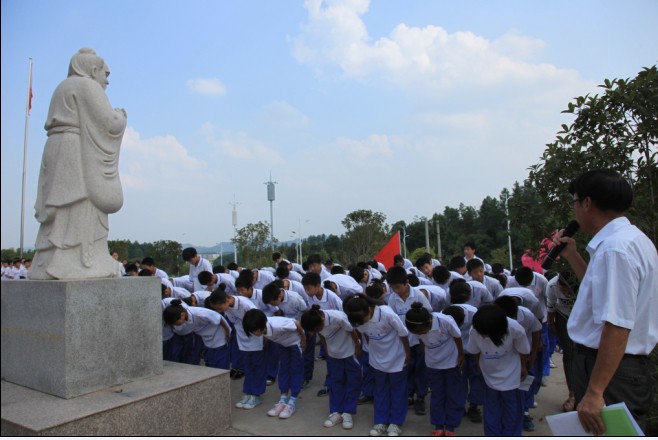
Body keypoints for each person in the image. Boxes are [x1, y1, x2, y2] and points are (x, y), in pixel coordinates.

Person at [552, 169, 658, 435]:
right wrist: (573, 256)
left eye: (575, 202)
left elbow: (617, 326)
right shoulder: (630, 241)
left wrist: (595, 391)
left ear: (587, 203)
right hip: (617, 368)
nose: (575, 209)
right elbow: (601, 293)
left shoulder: (615, 249)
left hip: (610, 371)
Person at [30, 48, 127, 280]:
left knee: (61, 205)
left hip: (55, 147)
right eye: (106, 73)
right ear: (93, 70)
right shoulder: (87, 85)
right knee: (81, 202)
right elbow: (108, 122)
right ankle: (82, 262)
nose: (107, 80)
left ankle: (48, 262)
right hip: (75, 150)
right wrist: (121, 116)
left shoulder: (62, 87)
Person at [343, 294, 410, 437]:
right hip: (377, 359)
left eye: (364, 320)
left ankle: (395, 423)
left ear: (369, 309)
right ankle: (380, 421)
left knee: (398, 391)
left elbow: (403, 334)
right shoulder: (358, 320)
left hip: (396, 358)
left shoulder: (387, 314)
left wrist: (407, 354)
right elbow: (367, 335)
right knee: (380, 390)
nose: (362, 323)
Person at [466, 304, 531, 436]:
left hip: (512, 376)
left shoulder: (515, 329)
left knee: (512, 410)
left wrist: (523, 367)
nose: (483, 336)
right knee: (491, 410)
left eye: (485, 334)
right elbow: (475, 350)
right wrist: (478, 364)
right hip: (489, 375)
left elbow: (523, 350)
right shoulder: (475, 329)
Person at [405, 303, 465, 437]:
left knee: (453, 393)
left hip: (451, 361)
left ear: (429, 322)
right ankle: (438, 423)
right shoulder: (415, 326)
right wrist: (425, 354)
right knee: (438, 394)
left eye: (423, 331)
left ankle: (451, 425)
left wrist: (461, 355)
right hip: (433, 364)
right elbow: (420, 341)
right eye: (418, 332)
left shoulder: (446, 321)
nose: (421, 333)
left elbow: (458, 337)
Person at [300, 305, 361, 430]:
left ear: (322, 320)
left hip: (349, 351)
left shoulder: (338, 317)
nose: (317, 331)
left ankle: (348, 412)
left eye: (317, 328)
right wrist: (326, 347)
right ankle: (336, 412)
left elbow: (352, 331)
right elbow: (321, 335)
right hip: (334, 353)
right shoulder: (316, 323)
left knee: (352, 381)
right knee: (336, 381)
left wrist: (357, 346)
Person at [206, 287, 265, 410]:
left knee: (257, 366)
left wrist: (263, 338)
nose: (219, 311)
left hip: (255, 338)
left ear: (226, 300)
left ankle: (256, 394)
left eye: (219, 308)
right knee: (247, 366)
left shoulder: (245, 305)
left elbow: (260, 321)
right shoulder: (227, 309)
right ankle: (248, 392)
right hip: (243, 339)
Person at [243, 309, 307, 419]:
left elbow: (297, 324)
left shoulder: (278, 325)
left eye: (255, 330)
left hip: (295, 344)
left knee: (296, 370)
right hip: (282, 345)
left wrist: (304, 341)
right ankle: (283, 399)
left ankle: (292, 402)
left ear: (262, 325)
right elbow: (266, 336)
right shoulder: (260, 328)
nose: (254, 333)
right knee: (283, 369)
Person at [546, 269, 579, 412]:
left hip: (581, 316)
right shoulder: (552, 285)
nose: (567, 294)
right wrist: (554, 328)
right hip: (563, 316)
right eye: (564, 291)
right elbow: (550, 310)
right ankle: (572, 393)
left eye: (570, 292)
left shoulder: (584, 282)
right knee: (569, 355)